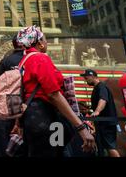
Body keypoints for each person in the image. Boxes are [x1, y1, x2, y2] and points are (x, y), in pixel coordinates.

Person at [12, 26, 96, 157]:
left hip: (32, 118)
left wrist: (19, 122)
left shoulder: (23, 62)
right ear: (39, 42)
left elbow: (21, 94)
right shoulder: (40, 59)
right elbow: (53, 94)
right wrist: (81, 128)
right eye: (45, 39)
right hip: (46, 118)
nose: (47, 42)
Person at [81, 69, 120, 157]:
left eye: (86, 78)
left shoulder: (101, 87)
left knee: (110, 147)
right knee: (104, 147)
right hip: (102, 123)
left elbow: (103, 99)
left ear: (93, 76)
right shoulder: (97, 88)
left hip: (107, 123)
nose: (85, 80)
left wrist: (97, 111)